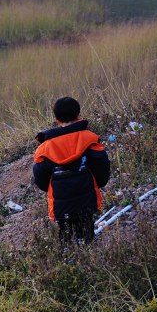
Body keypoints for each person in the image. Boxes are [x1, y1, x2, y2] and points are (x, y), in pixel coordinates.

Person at [33, 96, 111, 245]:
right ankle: (88, 256)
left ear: (57, 119)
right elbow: (102, 169)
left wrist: (53, 189)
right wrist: (96, 185)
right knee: (88, 233)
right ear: (78, 115)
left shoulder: (44, 149)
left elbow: (41, 180)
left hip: (61, 204)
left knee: (65, 236)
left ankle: (69, 260)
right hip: (87, 199)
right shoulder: (90, 139)